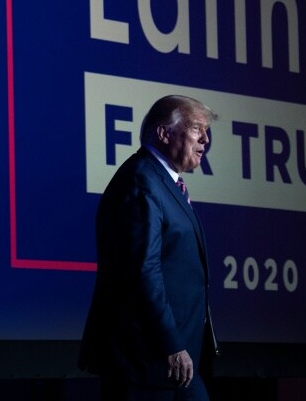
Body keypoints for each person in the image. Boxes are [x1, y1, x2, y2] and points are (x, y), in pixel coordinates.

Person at [78, 94, 221, 400]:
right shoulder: (142, 181)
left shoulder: (163, 182)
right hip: (148, 360)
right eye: (197, 129)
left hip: (176, 362)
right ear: (164, 133)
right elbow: (143, 271)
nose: (206, 139)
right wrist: (170, 343)